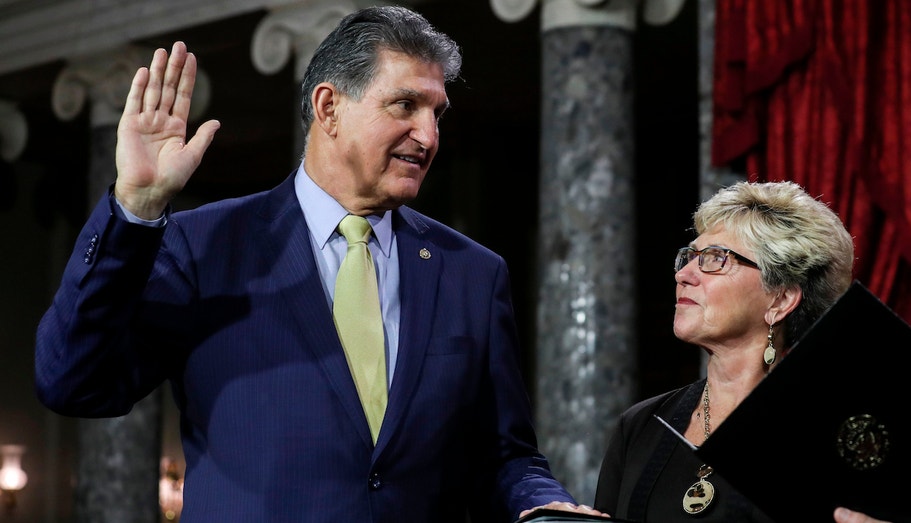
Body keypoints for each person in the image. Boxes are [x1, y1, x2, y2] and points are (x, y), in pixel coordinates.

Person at [34, 6, 608, 523]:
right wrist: (134, 208)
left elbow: (504, 453)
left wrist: (541, 506)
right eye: (405, 105)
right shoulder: (206, 244)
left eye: (438, 113)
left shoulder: (472, 273)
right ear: (329, 107)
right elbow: (73, 384)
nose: (428, 136)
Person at [592, 181, 891, 523]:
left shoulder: (837, 436)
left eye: (715, 259)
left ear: (780, 300)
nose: (684, 274)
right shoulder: (640, 426)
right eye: (689, 257)